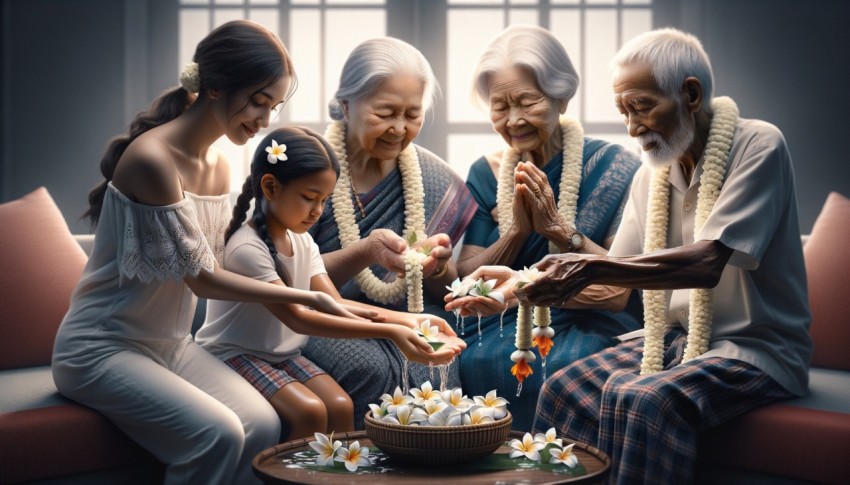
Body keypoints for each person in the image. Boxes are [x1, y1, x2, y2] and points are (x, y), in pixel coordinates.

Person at [52, 20, 367, 484]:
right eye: (258, 101)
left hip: (172, 344)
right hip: (101, 347)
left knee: (261, 422)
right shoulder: (152, 160)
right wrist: (303, 297)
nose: (264, 120)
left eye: (273, 106)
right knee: (217, 433)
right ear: (214, 86)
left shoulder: (219, 164)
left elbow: (219, 262)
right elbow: (201, 277)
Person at [511, 28, 812, 483]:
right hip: (672, 342)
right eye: (624, 112)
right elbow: (617, 279)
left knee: (645, 400)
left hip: (754, 351)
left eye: (643, 107)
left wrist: (589, 266)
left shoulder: (759, 144)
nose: (633, 128)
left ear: (690, 94)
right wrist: (520, 281)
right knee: (563, 387)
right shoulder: (651, 175)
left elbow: (708, 262)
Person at [196, 127, 463, 440]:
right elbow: (299, 316)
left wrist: (412, 320)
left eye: (324, 200)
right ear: (270, 187)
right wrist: (392, 331)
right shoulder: (246, 248)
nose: (317, 211)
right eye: (309, 198)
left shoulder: (301, 241)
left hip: (282, 354)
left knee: (339, 404)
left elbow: (334, 304)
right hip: (236, 353)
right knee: (310, 411)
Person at [445, 24, 643, 430]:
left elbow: (621, 284)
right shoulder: (486, 173)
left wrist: (556, 228)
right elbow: (468, 274)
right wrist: (516, 232)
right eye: (500, 106)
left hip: (590, 315)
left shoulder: (614, 167)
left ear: (561, 97)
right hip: (505, 314)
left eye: (527, 102)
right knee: (468, 354)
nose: (513, 119)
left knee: (563, 363)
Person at [302, 37, 478, 428]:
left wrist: (434, 267)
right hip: (319, 316)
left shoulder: (431, 176)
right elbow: (289, 279)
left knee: (439, 351)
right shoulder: (308, 170)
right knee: (367, 365)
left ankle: (433, 463)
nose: (399, 129)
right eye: (385, 113)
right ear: (347, 105)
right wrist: (366, 252)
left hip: (408, 313)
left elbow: (443, 292)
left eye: (412, 114)